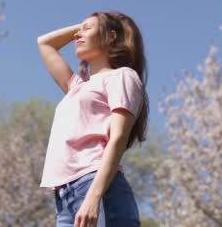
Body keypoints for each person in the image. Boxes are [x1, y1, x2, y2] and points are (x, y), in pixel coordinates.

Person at [37, 11, 149, 227]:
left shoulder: (122, 76)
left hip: (97, 186)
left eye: (87, 29)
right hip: (64, 196)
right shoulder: (76, 87)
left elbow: (117, 137)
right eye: (78, 31)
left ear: (111, 36)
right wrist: (85, 27)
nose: (78, 35)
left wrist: (93, 197)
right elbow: (45, 44)